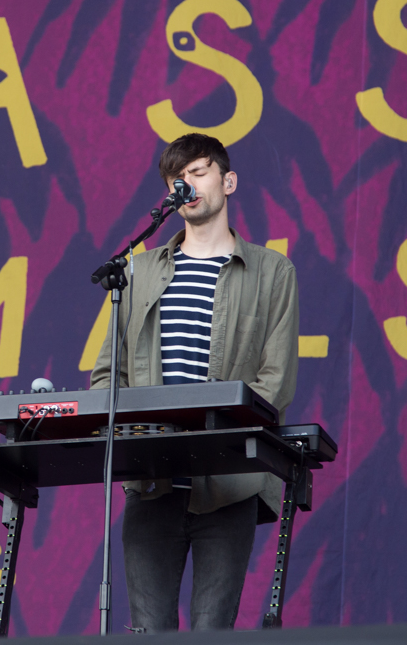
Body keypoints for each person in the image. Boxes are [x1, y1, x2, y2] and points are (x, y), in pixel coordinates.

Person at [91, 132, 299, 632]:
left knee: (213, 630)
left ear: (228, 182)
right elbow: (107, 376)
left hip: (228, 485)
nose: (186, 184)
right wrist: (133, 445)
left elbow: (276, 380)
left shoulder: (272, 271)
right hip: (151, 485)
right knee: (148, 630)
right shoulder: (137, 272)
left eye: (198, 172)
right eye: (175, 179)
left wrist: (216, 443)